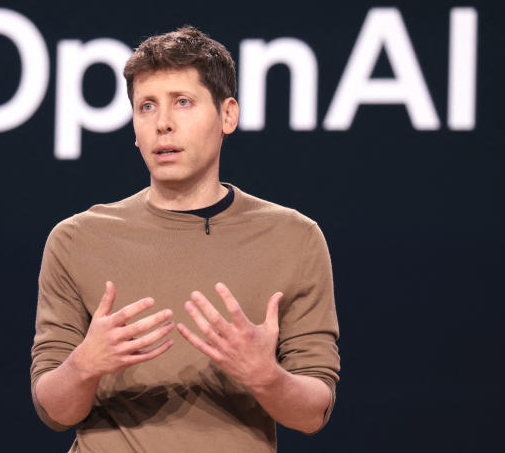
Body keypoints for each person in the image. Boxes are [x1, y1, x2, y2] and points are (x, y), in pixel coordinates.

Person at [30, 25, 339, 452]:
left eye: (183, 102)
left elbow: (312, 415)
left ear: (228, 114)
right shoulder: (77, 239)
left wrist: (266, 376)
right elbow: (55, 412)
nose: (163, 124)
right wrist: (85, 365)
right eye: (146, 107)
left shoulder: (294, 238)